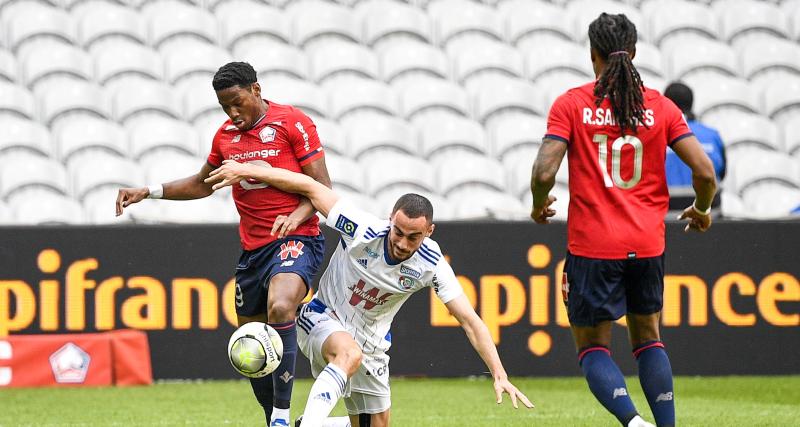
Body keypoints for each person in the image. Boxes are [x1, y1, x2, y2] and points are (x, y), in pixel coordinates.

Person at [205, 160, 534, 427]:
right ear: (391, 219)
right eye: (398, 232)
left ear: (429, 231)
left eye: (413, 237)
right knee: (348, 354)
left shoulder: (431, 263)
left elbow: (470, 320)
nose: (402, 243)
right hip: (321, 318)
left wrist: (499, 373)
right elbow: (310, 187)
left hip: (373, 346)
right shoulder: (361, 229)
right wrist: (248, 170)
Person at [115, 62, 332, 427]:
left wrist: (296, 216)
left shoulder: (293, 123)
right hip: (253, 253)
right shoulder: (225, 137)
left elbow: (322, 187)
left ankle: (282, 417)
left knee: (281, 307)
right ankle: (273, 419)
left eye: (237, 102)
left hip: (297, 239)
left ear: (256, 90)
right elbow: (203, 183)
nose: (232, 112)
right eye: (224, 106)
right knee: (251, 341)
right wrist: (149, 191)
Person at [529, 13, 716, 427]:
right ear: (633, 52)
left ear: (592, 54)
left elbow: (543, 173)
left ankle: (633, 422)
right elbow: (705, 173)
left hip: (593, 246)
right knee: (648, 338)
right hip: (647, 244)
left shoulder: (571, 104)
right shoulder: (661, 107)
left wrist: (539, 204)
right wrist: (702, 209)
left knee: (593, 347)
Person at [663, 81, 726, 209]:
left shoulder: (658, 136)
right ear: (691, 103)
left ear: (666, 105)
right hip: (706, 213)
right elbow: (721, 174)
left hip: (666, 212)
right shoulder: (712, 136)